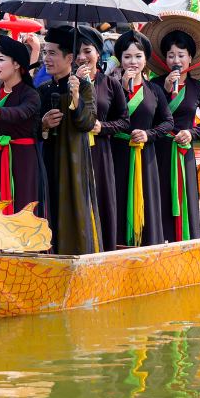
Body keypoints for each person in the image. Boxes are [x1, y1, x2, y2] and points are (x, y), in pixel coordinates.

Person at [36, 26, 102, 254]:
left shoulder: (84, 88)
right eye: (45, 52)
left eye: (52, 53)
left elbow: (87, 124)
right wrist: (43, 124)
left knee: (76, 208)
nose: (47, 58)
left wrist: (75, 99)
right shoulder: (44, 89)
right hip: (49, 159)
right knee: (49, 206)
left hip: (75, 163)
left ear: (69, 58)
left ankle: (80, 256)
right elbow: (32, 130)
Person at [150, 23, 200, 243]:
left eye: (181, 55)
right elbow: (148, 117)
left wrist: (192, 132)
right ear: (164, 59)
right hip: (158, 149)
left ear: (190, 58)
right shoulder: (155, 84)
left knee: (185, 195)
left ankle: (186, 240)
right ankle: (158, 241)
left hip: (184, 150)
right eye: (170, 55)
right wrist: (166, 92)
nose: (175, 61)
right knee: (159, 195)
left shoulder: (198, 87)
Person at [0, 35, 46, 218]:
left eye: (1, 60)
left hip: (24, 160)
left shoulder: (31, 94)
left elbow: (22, 113)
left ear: (17, 64)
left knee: (24, 207)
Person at [111, 30, 173, 248]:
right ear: (120, 59)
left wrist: (149, 134)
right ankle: (116, 246)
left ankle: (148, 247)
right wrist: (120, 87)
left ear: (146, 59)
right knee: (117, 198)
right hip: (117, 154)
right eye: (127, 57)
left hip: (145, 156)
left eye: (138, 56)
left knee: (147, 201)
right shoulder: (111, 88)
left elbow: (168, 123)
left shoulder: (154, 90)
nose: (133, 61)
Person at [73, 26, 130, 252]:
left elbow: (124, 121)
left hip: (101, 152)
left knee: (103, 198)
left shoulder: (110, 84)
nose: (82, 57)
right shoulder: (69, 83)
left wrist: (102, 127)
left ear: (98, 53)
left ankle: (105, 249)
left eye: (87, 51)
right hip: (75, 150)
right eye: (77, 53)